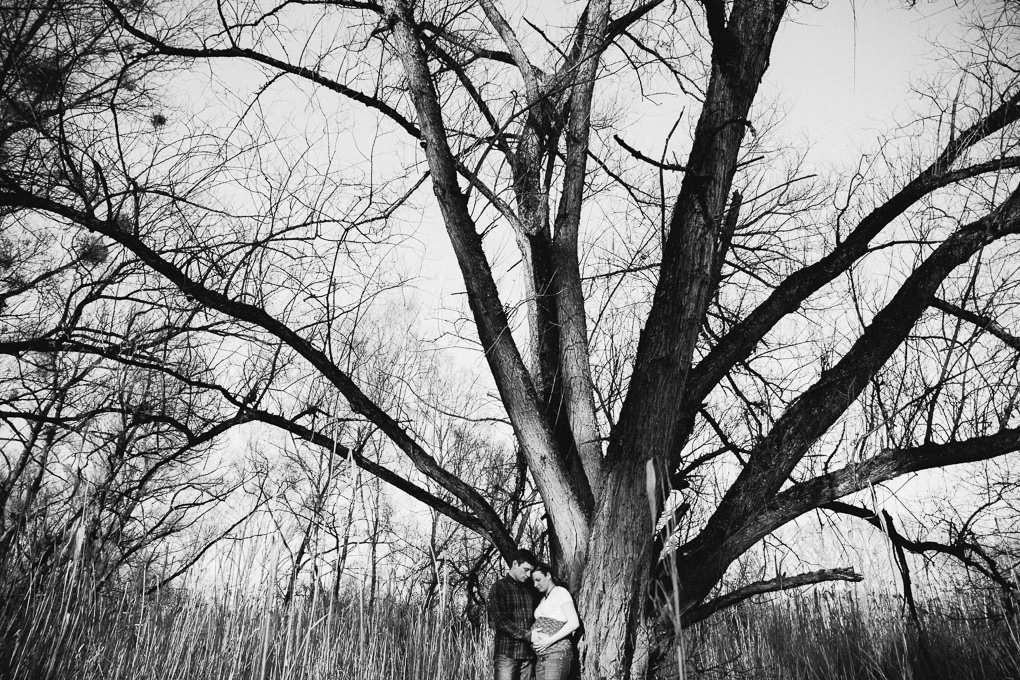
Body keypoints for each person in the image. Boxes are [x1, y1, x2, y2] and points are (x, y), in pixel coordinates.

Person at [488, 548, 540, 680]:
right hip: (507, 654)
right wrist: (527, 635)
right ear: (515, 564)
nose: (528, 575)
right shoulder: (499, 587)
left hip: (528, 655)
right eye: (526, 570)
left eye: (531, 571)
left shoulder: (530, 589)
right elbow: (500, 621)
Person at [529, 563, 579, 680]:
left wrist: (549, 641)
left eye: (538, 580)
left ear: (548, 576)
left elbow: (574, 623)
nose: (536, 584)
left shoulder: (560, 592)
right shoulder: (543, 599)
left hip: (557, 653)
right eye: (534, 582)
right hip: (541, 657)